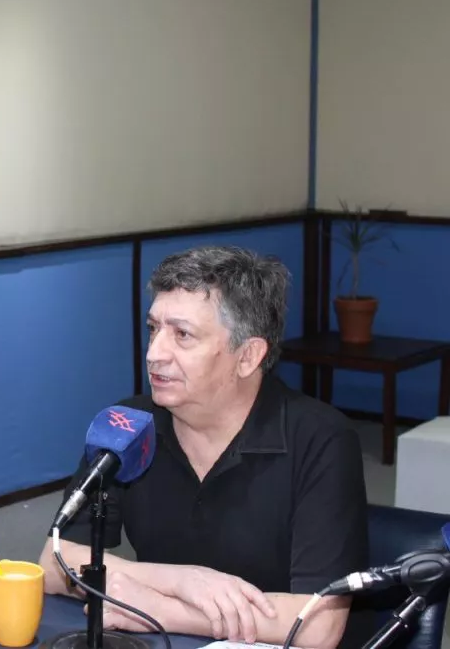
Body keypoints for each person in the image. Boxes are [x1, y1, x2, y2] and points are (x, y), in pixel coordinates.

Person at [39, 246, 369, 649]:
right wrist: (178, 580)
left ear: (248, 356)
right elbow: (54, 562)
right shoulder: (129, 427)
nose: (154, 354)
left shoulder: (321, 440)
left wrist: (163, 609)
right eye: (153, 328)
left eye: (182, 335)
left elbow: (318, 626)